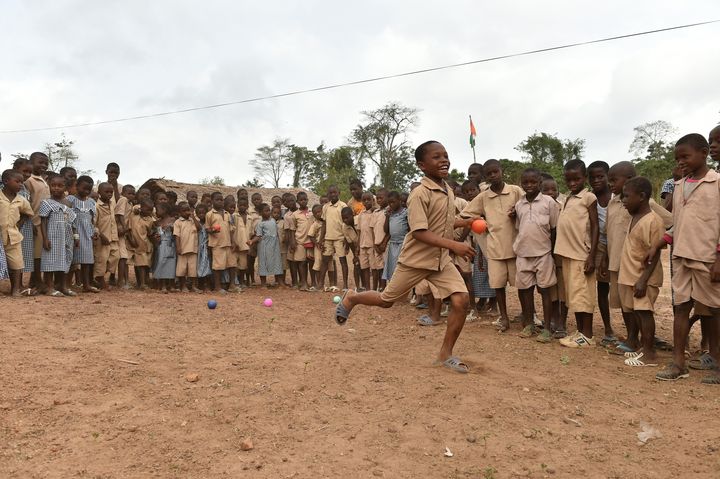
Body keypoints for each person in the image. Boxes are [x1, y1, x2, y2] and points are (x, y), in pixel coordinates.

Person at [335, 141, 476, 373]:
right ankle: (352, 298)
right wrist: (455, 245)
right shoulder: (419, 194)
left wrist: (465, 222)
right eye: (436, 157)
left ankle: (445, 354)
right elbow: (420, 232)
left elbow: (443, 221)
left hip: (440, 261)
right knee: (386, 300)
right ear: (421, 165)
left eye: (446, 156)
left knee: (461, 300)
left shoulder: (448, 190)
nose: (444, 160)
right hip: (416, 260)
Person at [650, 134, 720, 383]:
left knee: (714, 310)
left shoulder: (716, 183)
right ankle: (678, 363)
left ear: (704, 153)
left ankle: (717, 363)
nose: (681, 162)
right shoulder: (678, 186)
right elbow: (676, 224)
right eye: (677, 158)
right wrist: (659, 244)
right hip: (681, 257)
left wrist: (718, 259)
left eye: (685, 157)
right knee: (681, 308)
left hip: (707, 259)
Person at [605, 161, 672, 355]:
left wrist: (660, 242)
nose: (611, 185)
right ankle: (631, 338)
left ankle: (644, 345)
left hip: (640, 270)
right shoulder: (613, 202)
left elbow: (671, 223)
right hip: (619, 264)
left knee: (642, 309)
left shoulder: (648, 207)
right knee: (626, 307)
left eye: (614, 180)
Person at [461, 159, 524, 331]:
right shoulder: (483, 197)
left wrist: (517, 212)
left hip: (516, 248)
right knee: (498, 285)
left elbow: (528, 206)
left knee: (522, 285)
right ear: (485, 177)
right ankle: (504, 317)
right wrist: (479, 221)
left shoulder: (515, 191)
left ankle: (528, 315)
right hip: (495, 249)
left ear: (501, 171)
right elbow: (466, 215)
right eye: (489, 174)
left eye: (495, 171)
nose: (493, 175)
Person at [617, 177, 666, 367]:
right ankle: (641, 347)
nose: (624, 200)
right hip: (630, 275)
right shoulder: (633, 217)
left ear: (642, 196)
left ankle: (649, 352)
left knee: (645, 313)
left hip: (643, 278)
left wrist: (643, 280)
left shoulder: (654, 221)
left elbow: (655, 254)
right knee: (636, 312)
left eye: (627, 196)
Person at [555, 159, 599, 348]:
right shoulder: (567, 199)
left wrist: (592, 256)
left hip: (582, 254)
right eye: (568, 180)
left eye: (576, 179)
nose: (572, 183)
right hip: (568, 254)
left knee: (584, 296)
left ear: (585, 178)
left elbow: (596, 227)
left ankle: (587, 335)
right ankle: (580, 332)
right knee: (574, 296)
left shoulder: (589, 197)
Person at [513, 168, 560, 342]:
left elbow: (554, 229)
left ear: (540, 182)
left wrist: (554, 253)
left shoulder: (549, 202)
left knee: (546, 291)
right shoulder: (519, 205)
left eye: (533, 182)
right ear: (521, 184)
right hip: (523, 254)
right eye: (525, 182)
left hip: (544, 253)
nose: (529, 185)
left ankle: (547, 328)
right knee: (525, 291)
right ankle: (529, 324)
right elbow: (520, 227)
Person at [587, 161, 615, 345]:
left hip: (618, 246)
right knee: (602, 288)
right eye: (593, 177)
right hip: (599, 246)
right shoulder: (590, 199)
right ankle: (608, 328)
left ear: (608, 177)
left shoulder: (616, 197)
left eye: (600, 177)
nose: (596, 180)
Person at [40, 175, 77, 297]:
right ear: (49, 186)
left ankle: (63, 285)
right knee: (50, 261)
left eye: (60, 186)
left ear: (65, 187)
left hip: (66, 237)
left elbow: (72, 222)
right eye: (53, 185)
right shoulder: (46, 203)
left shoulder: (69, 203)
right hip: (52, 236)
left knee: (65, 260)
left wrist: (76, 237)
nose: (56, 188)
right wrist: (45, 238)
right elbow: (43, 221)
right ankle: (49, 287)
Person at [541, 177, 568, 336]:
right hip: (545, 254)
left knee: (563, 290)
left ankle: (561, 323)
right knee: (551, 290)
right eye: (546, 190)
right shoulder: (538, 207)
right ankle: (553, 318)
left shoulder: (562, 208)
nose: (550, 193)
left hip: (561, 254)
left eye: (554, 190)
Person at [0, 169, 34, 296]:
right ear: (6, 181)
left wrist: (19, 223)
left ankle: (15, 289)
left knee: (17, 263)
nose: (21, 184)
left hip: (13, 236)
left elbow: (28, 213)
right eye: (17, 181)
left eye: (22, 182)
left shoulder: (21, 200)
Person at [67, 176, 97, 293]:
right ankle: (67, 284)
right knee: (71, 260)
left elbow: (92, 220)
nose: (86, 191)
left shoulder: (91, 202)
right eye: (84, 188)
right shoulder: (70, 200)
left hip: (87, 234)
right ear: (77, 186)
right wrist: (74, 234)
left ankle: (86, 285)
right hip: (73, 233)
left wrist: (94, 232)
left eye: (89, 189)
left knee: (86, 261)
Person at [25, 152, 50, 292]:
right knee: (37, 255)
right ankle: (37, 281)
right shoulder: (29, 181)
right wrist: (30, 221)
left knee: (41, 253)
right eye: (40, 162)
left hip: (44, 222)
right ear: (31, 162)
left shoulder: (43, 180)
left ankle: (33, 281)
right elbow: (26, 202)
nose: (44, 165)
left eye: (46, 163)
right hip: (35, 221)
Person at [318, 185, 349, 292]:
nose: (332, 195)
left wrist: (346, 237)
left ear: (339, 192)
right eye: (330, 193)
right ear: (328, 194)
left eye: (334, 192)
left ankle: (345, 285)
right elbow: (324, 224)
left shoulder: (343, 206)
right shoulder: (325, 207)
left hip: (340, 238)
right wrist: (321, 239)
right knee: (325, 261)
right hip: (328, 238)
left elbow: (346, 223)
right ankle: (320, 284)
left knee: (342, 261)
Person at [206, 192, 236, 293]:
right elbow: (207, 229)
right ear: (212, 201)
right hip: (217, 244)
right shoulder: (209, 214)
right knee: (217, 267)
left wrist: (233, 242)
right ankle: (217, 287)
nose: (220, 202)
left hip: (228, 243)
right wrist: (213, 230)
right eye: (217, 200)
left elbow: (231, 229)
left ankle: (232, 285)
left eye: (221, 200)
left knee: (232, 265)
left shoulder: (228, 214)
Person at [12, 158, 35, 289]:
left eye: (29, 172)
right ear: (15, 168)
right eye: (24, 171)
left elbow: (28, 207)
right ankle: (15, 285)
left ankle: (19, 284)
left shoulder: (25, 187)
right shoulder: (10, 185)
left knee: (22, 255)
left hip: (25, 225)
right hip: (15, 224)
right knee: (14, 254)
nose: (27, 174)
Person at [249, 203, 283, 287]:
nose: (268, 212)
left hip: (274, 246)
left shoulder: (273, 220)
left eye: (269, 210)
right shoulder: (260, 224)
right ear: (260, 213)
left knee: (277, 262)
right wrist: (252, 241)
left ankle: (279, 282)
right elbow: (258, 236)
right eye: (266, 211)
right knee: (263, 262)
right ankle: (263, 283)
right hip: (265, 246)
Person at [93, 183, 120, 289]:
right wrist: (100, 235)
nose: (109, 194)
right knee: (101, 259)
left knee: (115, 256)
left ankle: (101, 276)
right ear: (99, 193)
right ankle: (100, 279)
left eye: (111, 192)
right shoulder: (96, 206)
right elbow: (93, 224)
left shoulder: (112, 204)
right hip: (102, 238)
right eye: (106, 192)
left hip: (113, 237)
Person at [288, 191, 313, 291]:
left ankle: (313, 282)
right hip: (300, 242)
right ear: (297, 201)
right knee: (301, 263)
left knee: (311, 262)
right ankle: (304, 283)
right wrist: (292, 242)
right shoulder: (295, 214)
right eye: (301, 200)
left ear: (307, 200)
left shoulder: (312, 212)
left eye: (305, 199)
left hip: (311, 241)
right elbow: (292, 229)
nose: (303, 201)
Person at [128, 199, 155, 290]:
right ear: (141, 208)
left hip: (145, 245)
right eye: (147, 210)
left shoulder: (150, 220)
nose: (149, 212)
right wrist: (131, 240)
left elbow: (150, 232)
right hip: (136, 245)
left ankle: (144, 282)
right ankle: (142, 283)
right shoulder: (133, 216)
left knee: (145, 265)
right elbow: (129, 229)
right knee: (140, 265)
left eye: (151, 210)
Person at [381, 191, 408, 283]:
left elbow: (410, 229)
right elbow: (386, 230)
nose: (391, 205)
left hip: (403, 244)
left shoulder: (405, 213)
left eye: (393, 202)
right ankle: (393, 288)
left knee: (402, 268)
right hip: (393, 245)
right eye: (389, 203)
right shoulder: (390, 214)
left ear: (399, 200)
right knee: (392, 268)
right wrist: (387, 217)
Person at [174, 201, 201, 292]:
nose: (187, 212)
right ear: (180, 212)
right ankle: (183, 286)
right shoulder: (178, 222)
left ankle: (193, 286)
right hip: (183, 249)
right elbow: (177, 236)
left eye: (188, 210)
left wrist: (193, 216)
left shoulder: (193, 220)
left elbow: (199, 228)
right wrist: (178, 247)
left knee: (193, 270)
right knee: (182, 269)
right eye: (184, 211)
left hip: (193, 249)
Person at [152, 203, 177, 293]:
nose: (156, 212)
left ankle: (171, 284)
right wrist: (156, 237)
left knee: (171, 264)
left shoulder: (173, 220)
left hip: (171, 245)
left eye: (158, 210)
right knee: (161, 263)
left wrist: (171, 227)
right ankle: (162, 284)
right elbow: (154, 233)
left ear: (164, 210)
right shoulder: (157, 222)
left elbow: (176, 232)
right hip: (161, 245)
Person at [115, 185, 135, 289]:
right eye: (129, 193)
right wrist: (124, 227)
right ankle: (120, 282)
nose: (131, 196)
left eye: (133, 194)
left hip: (125, 232)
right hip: (120, 229)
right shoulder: (123, 200)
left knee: (124, 257)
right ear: (123, 193)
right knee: (122, 257)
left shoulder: (130, 204)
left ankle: (125, 281)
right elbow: (120, 214)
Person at [357, 192, 376, 291]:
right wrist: (357, 246)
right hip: (362, 244)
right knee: (364, 267)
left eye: (369, 199)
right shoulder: (361, 214)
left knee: (374, 267)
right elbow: (359, 231)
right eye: (364, 200)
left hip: (371, 245)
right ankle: (367, 288)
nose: (367, 202)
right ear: (362, 202)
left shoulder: (375, 213)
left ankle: (374, 288)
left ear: (373, 200)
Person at [373, 188, 390, 291]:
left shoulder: (389, 211)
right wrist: (375, 244)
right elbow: (373, 229)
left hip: (386, 244)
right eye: (377, 198)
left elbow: (390, 229)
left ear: (387, 198)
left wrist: (384, 243)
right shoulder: (375, 212)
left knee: (388, 266)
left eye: (381, 198)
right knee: (380, 267)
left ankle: (390, 289)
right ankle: (382, 287)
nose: (378, 200)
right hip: (377, 244)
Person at [232, 197, 251, 288]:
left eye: (244, 205)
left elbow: (251, 232)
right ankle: (235, 282)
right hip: (235, 245)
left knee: (243, 265)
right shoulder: (234, 216)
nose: (242, 207)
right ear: (237, 206)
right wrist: (234, 242)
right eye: (240, 205)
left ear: (247, 206)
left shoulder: (250, 217)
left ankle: (242, 281)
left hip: (245, 245)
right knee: (234, 265)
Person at [195, 203, 212, 290]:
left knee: (208, 266)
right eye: (199, 213)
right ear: (196, 214)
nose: (201, 215)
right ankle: (201, 284)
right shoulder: (197, 224)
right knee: (199, 266)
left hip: (207, 247)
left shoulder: (208, 224)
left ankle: (208, 285)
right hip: (199, 249)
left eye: (203, 213)